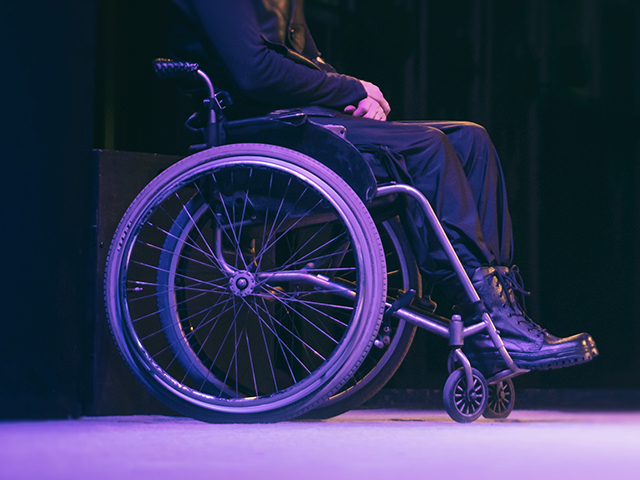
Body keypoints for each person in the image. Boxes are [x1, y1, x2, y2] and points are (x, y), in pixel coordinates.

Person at [165, 0, 598, 374]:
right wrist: (350, 88)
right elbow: (254, 72)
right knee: (428, 147)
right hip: (266, 129)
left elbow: (311, 66)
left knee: (471, 139)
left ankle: (499, 318)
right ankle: (485, 316)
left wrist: (354, 98)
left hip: (304, 119)